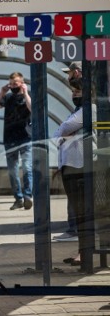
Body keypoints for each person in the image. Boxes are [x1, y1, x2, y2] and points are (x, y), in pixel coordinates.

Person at [53, 84, 96, 267]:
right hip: (71, 166)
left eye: (78, 91)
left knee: (84, 213)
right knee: (79, 213)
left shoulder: (89, 109)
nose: (74, 94)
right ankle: (82, 252)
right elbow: (61, 133)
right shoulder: (77, 110)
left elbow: (65, 128)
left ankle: (85, 253)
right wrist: (62, 135)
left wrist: (63, 134)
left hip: (81, 166)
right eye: (73, 91)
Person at [0, 72, 33, 210]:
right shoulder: (8, 97)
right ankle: (18, 198)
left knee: (27, 167)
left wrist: (25, 92)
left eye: (15, 83)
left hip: (25, 137)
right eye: (11, 84)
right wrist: (1, 92)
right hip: (10, 138)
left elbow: (32, 108)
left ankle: (28, 195)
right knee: (12, 170)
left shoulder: (27, 96)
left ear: (22, 83)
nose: (13, 86)